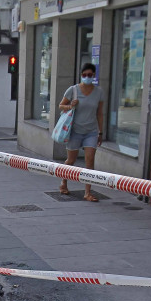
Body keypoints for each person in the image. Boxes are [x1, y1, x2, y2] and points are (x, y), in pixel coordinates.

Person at [57, 63, 104, 201]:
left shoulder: (99, 92)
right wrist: (70, 105)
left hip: (91, 131)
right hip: (75, 130)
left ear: (94, 75)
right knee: (71, 160)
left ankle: (87, 192)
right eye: (84, 75)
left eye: (90, 75)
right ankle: (63, 183)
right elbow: (61, 106)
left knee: (90, 160)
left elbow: (100, 113)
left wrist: (100, 132)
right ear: (81, 75)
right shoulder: (73, 90)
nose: (87, 77)